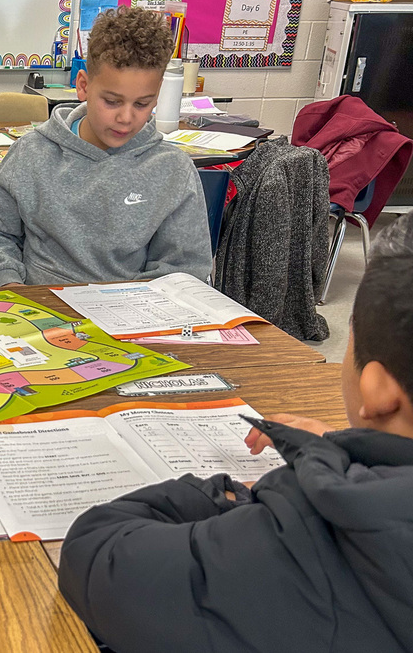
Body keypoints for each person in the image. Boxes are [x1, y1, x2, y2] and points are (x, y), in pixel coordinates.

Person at [58, 212, 413, 652]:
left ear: (377, 390)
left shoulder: (309, 533)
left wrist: (230, 496)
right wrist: (355, 455)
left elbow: (95, 552)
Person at [0, 6, 212, 286]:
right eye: (111, 101)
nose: (125, 118)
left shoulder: (172, 170)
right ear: (83, 85)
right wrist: (9, 283)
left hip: (130, 315)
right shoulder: (31, 153)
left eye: (142, 104)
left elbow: (183, 268)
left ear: (157, 96)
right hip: (40, 310)